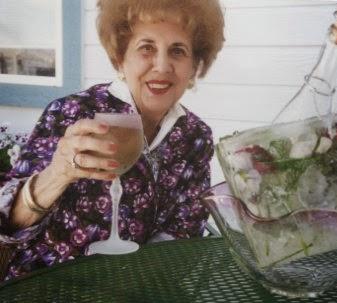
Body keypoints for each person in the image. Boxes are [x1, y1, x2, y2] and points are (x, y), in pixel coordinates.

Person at [0, 0, 224, 281]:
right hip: (49, 286)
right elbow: (8, 224)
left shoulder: (195, 135)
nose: (162, 66)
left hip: (138, 289)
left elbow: (185, 227)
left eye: (177, 51)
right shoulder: (73, 114)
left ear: (194, 66)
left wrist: (133, 284)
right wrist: (57, 174)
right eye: (147, 48)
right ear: (120, 58)